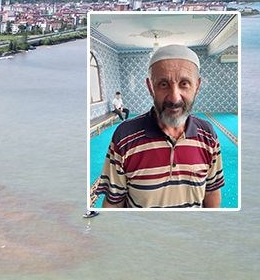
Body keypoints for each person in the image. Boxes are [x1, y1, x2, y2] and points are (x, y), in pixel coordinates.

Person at [95, 44, 224, 208]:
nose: (174, 98)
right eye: (163, 84)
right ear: (150, 87)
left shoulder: (208, 135)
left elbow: (212, 191)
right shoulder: (124, 136)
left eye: (184, 83)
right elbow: (114, 202)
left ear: (197, 86)